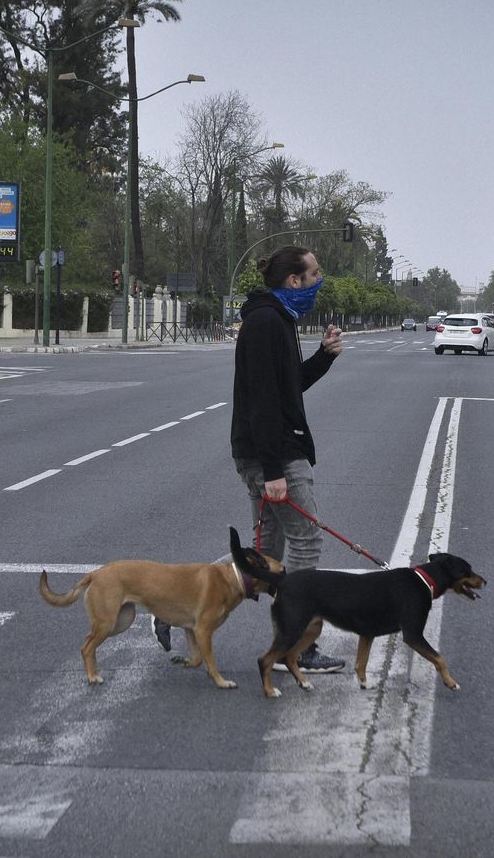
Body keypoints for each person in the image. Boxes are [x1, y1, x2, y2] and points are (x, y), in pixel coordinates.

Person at [156, 245, 346, 673]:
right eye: (314, 273)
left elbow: (288, 386)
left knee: (264, 552)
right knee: (306, 540)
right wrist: (274, 471)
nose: (319, 280)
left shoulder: (277, 319)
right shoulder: (265, 323)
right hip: (274, 452)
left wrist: (323, 357)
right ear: (293, 281)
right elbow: (262, 402)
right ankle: (295, 646)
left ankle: (170, 608)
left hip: (269, 449)